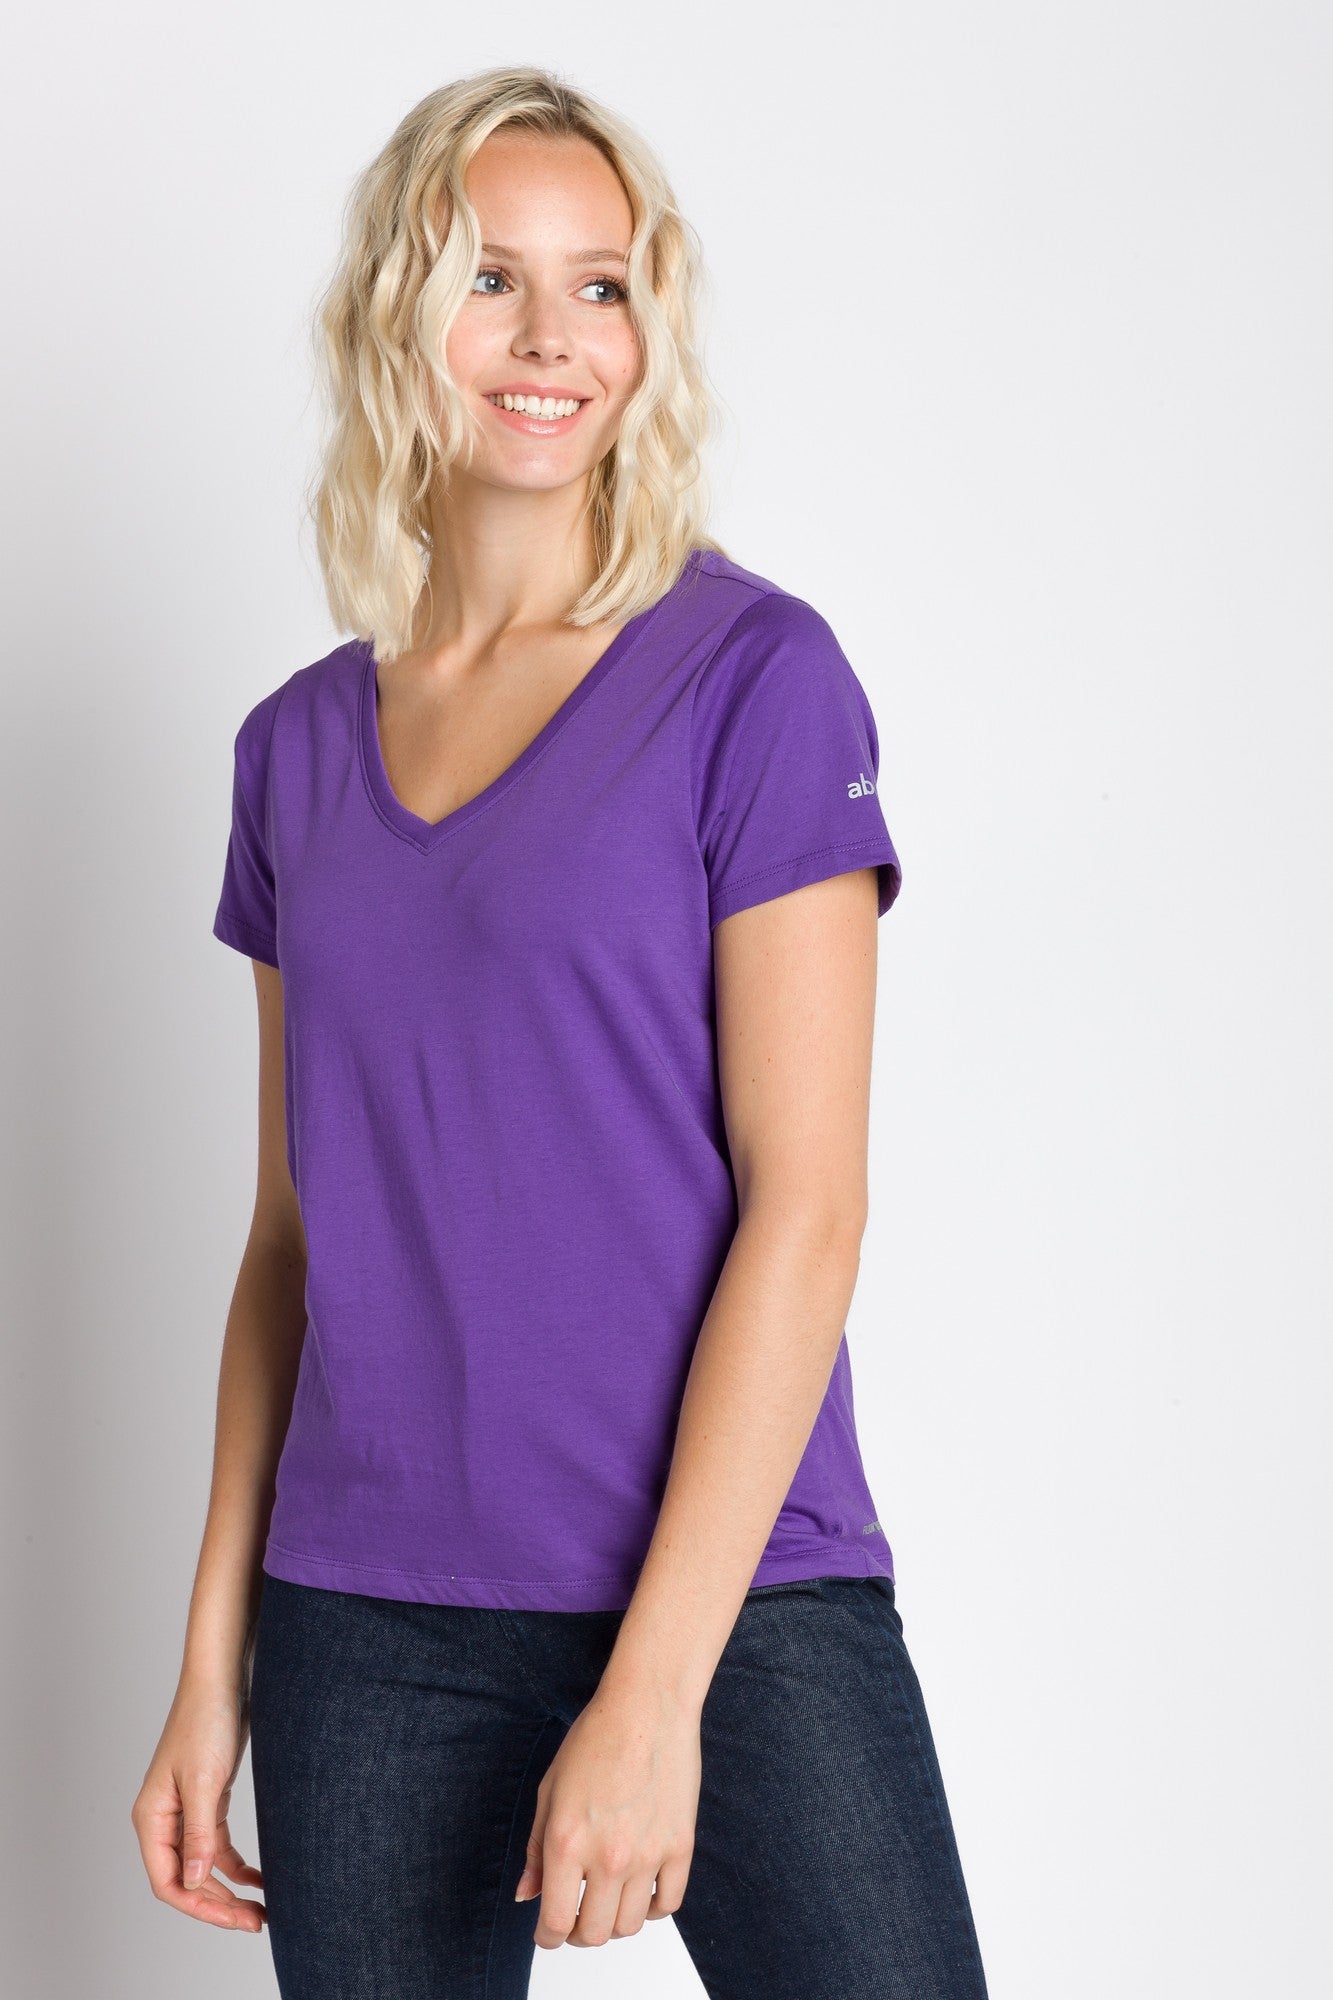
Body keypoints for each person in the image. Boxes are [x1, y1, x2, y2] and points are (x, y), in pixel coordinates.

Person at [130, 65, 991, 2000]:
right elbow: (290, 1244)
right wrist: (209, 1668)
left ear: (646, 324)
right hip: (367, 1628)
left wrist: (655, 1690)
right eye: (488, 279)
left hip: (736, 1597)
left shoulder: (754, 681)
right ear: (393, 320)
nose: (549, 339)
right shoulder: (293, 754)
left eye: (599, 285)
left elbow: (806, 1208)